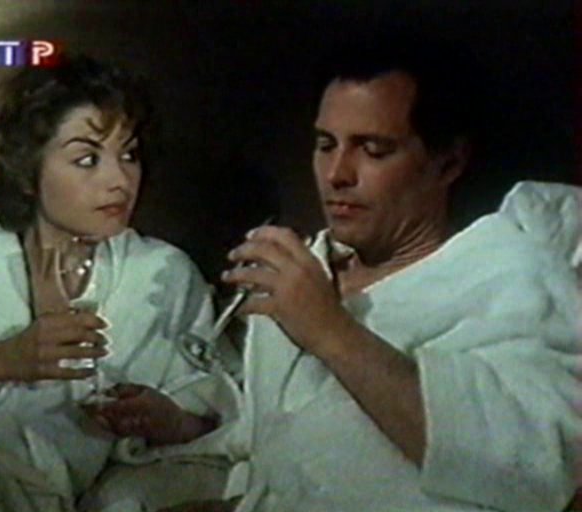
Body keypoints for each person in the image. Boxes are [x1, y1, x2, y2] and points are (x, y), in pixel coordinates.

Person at [158, 40, 581, 511]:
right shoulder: (308, 268)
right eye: (326, 145)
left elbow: (536, 467)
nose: (336, 174)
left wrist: (330, 331)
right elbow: (280, 443)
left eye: (374, 149)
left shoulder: (508, 276)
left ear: (448, 162)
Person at [0, 54, 230, 512]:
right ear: (27, 172)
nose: (119, 180)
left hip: (11, 487)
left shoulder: (160, 275)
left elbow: (218, 416)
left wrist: (165, 420)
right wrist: (3, 359)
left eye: (129, 155)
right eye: (87, 159)